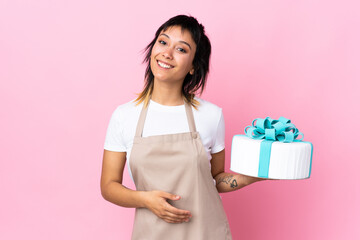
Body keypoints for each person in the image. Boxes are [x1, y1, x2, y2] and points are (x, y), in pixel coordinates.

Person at [100, 14, 266, 240]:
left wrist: (252, 177)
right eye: (163, 41)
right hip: (151, 234)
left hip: (206, 233)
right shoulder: (124, 116)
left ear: (193, 67)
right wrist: (145, 199)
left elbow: (215, 179)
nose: (167, 53)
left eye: (181, 49)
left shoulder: (211, 115)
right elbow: (109, 186)